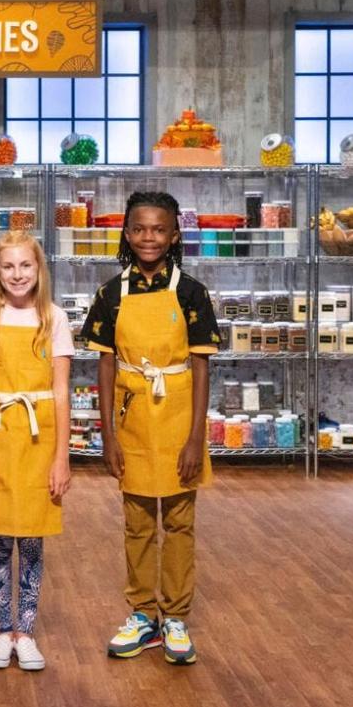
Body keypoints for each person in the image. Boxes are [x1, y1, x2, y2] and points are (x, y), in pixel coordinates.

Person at [81, 191, 219, 666]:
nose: (148, 238)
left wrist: (196, 438)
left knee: (179, 520)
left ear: (175, 235)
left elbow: (202, 368)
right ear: (126, 233)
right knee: (137, 521)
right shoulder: (110, 294)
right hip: (132, 417)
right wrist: (109, 435)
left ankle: (176, 616)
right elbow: (104, 365)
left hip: (180, 418)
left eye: (159, 229)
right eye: (139, 228)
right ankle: (143, 614)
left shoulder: (192, 293)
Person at [0, 230, 72, 672]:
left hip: (39, 439)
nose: (17, 274)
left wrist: (62, 456)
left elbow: (61, 393)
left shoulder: (55, 319)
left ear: (39, 269)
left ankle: (25, 631)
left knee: (31, 537)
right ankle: (1, 628)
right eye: (8, 266)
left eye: (25, 265)